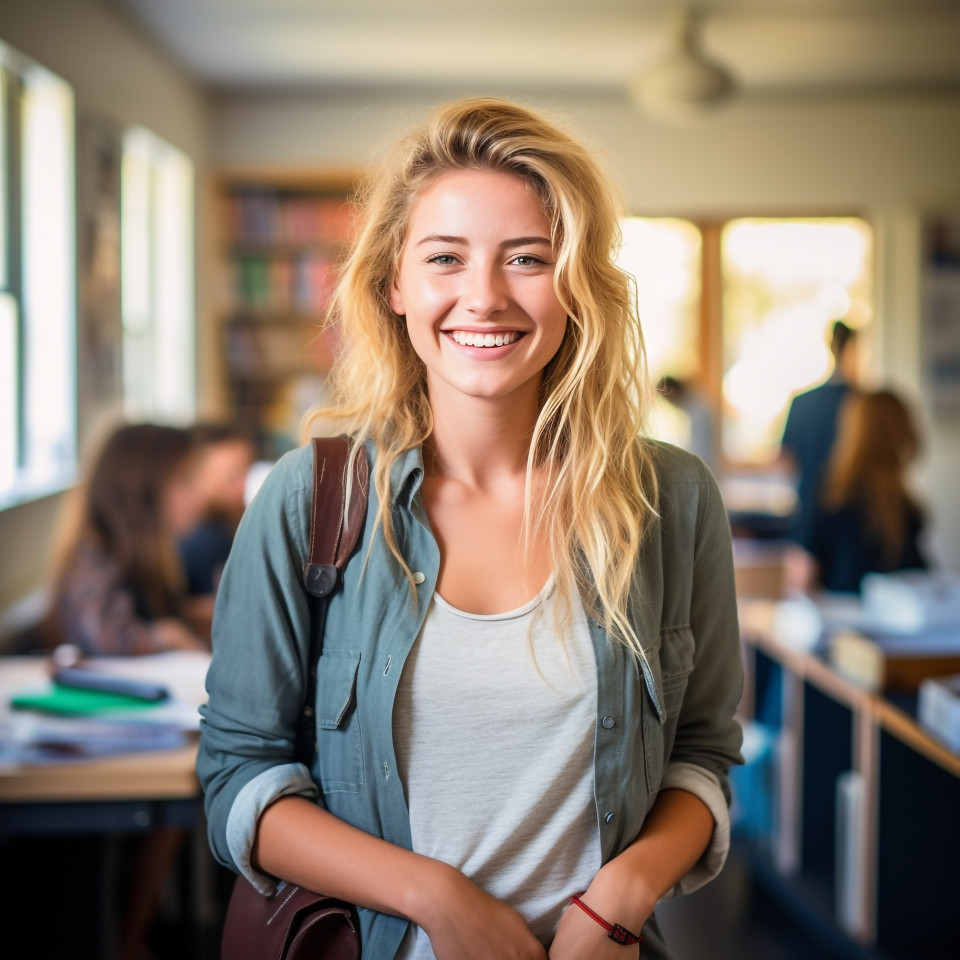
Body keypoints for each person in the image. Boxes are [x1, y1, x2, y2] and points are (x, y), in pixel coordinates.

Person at [197, 98, 743, 960]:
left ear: (575, 283)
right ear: (395, 286)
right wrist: (439, 900)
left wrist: (621, 898)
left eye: (527, 258)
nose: (483, 297)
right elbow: (238, 780)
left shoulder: (670, 499)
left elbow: (702, 755)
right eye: (445, 258)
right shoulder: (310, 498)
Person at [42, 422, 208, 655]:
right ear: (141, 490)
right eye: (185, 480)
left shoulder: (149, 553)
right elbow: (107, 638)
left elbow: (143, 615)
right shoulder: (93, 556)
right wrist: (167, 635)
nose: (201, 494)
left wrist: (188, 616)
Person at [802, 389, 928, 593]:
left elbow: (805, 574)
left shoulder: (831, 494)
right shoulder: (905, 506)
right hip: (890, 616)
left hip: (843, 613)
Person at [780, 320, 858, 546]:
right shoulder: (860, 404)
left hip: (807, 510)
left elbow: (787, 460)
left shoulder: (802, 402)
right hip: (849, 516)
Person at [179, 421, 255, 597]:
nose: (243, 486)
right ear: (193, 477)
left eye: (247, 472)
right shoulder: (205, 542)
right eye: (231, 477)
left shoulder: (229, 531)